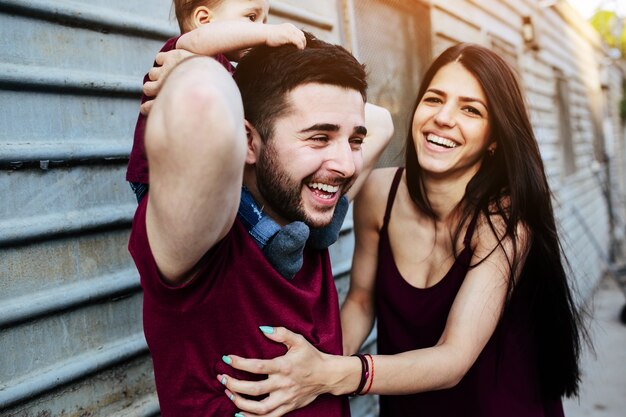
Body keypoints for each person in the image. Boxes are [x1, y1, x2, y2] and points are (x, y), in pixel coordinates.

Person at [218, 43, 587, 417]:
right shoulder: (380, 193)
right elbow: (362, 301)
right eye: (434, 99)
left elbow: (453, 358)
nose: (443, 118)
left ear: (494, 139)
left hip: (499, 406)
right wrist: (301, 371)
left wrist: (331, 374)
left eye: (470, 109)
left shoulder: (503, 220)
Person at [128, 32, 393, 416]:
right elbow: (201, 98)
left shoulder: (307, 210)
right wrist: (206, 50)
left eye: (354, 139)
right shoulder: (201, 237)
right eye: (320, 137)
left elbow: (381, 121)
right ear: (247, 142)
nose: (348, 165)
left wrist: (282, 55)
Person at [126, 0, 306, 203]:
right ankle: (269, 235)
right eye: (252, 18)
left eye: (265, 21)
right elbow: (200, 39)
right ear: (204, 20)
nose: (261, 29)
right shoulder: (184, 50)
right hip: (164, 175)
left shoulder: (229, 69)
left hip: (202, 170)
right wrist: (269, 34)